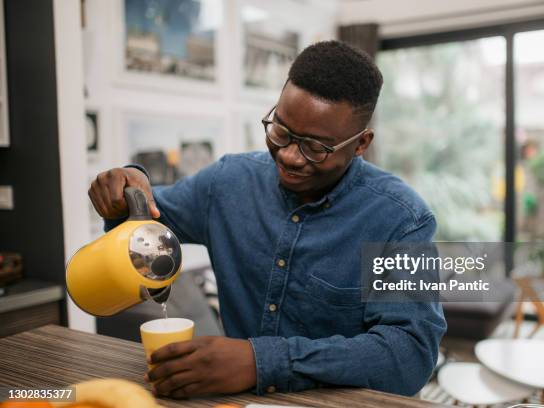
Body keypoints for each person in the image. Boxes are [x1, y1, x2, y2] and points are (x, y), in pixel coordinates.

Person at [90, 40, 446, 399]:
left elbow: (410, 355)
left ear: (361, 143)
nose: (290, 156)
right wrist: (125, 187)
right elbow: (143, 222)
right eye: (282, 132)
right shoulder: (227, 183)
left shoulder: (400, 220)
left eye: (315, 147)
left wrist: (261, 362)